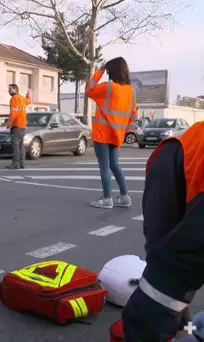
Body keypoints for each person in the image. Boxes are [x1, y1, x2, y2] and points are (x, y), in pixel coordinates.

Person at [122, 121, 204, 341]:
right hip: (177, 160)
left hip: (180, 159)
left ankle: (181, 327)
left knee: (152, 314)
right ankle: (181, 327)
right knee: (154, 307)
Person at [85, 57, 136, 209]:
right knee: (115, 165)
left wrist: (99, 71)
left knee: (104, 166)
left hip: (103, 133)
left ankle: (107, 198)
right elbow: (132, 115)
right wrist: (121, 131)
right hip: (117, 134)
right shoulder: (131, 91)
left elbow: (89, 90)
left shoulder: (109, 87)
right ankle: (124, 196)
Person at [5, 84, 31, 169]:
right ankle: (22, 164)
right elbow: (28, 101)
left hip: (16, 125)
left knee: (15, 145)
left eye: (10, 89)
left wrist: (9, 123)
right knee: (21, 145)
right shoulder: (22, 98)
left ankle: (15, 164)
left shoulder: (14, 98)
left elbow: (13, 112)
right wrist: (28, 94)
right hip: (22, 125)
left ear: (15, 89)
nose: (8, 91)